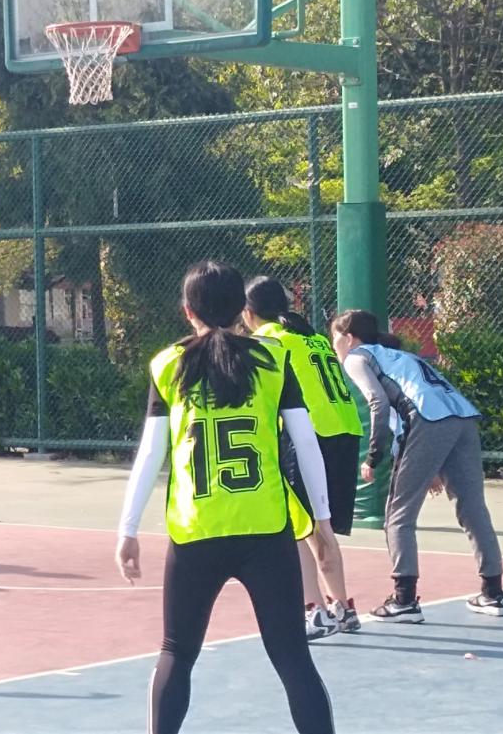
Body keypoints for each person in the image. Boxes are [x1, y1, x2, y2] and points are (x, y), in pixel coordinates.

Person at [116, 261, 334, 734]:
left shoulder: (168, 364)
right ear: (242, 308)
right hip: (265, 529)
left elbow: (151, 453)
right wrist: (322, 520)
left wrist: (127, 529)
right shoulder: (273, 359)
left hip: (197, 529)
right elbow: (306, 441)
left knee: (177, 652)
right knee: (293, 657)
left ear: (187, 310)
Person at [331, 309, 503, 621]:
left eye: (334, 337)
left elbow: (379, 403)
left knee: (398, 514)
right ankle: (494, 593)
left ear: (348, 337)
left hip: (428, 421)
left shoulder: (356, 357)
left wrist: (373, 457)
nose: (333, 344)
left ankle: (404, 600)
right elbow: (414, 404)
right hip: (462, 418)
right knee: (473, 508)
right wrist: (432, 463)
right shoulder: (401, 356)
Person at [243, 277, 363, 640]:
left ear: (248, 312)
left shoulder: (267, 340)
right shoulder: (313, 338)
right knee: (322, 527)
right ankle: (342, 608)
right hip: (344, 430)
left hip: (309, 434)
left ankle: (314, 610)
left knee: (298, 527)